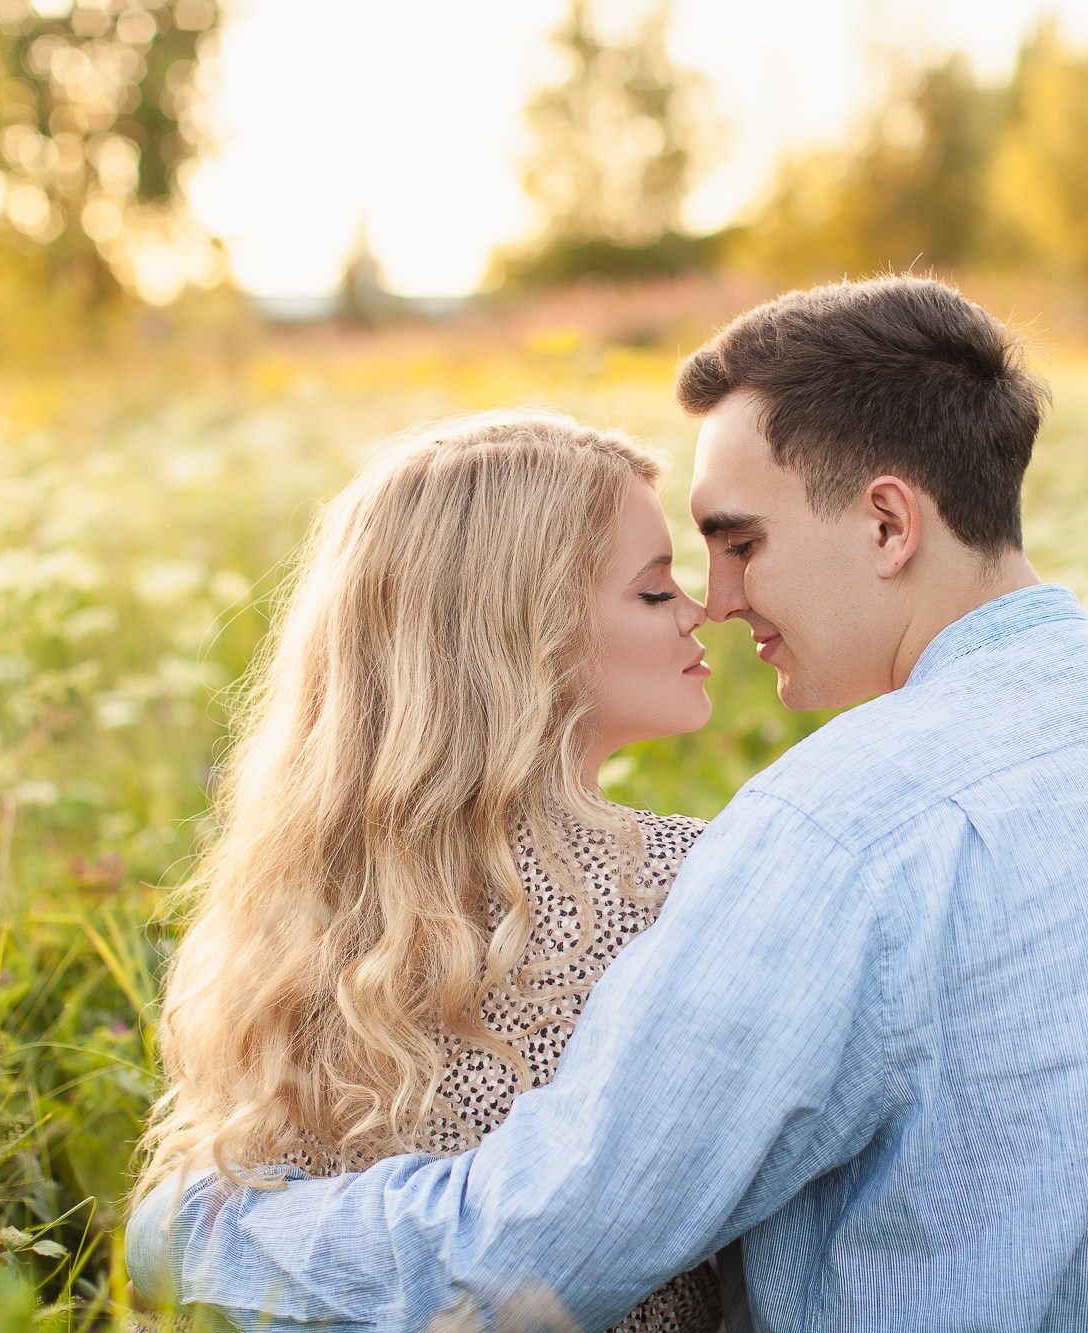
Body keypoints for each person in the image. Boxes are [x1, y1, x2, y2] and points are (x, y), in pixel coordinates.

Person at [128, 276, 1088, 1331]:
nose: (720, 595)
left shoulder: (841, 830)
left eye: (741, 539)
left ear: (887, 524)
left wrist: (194, 1230)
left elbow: (525, 1260)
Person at [131, 414, 726, 1331]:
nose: (699, 611)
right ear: (526, 634)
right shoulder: (684, 877)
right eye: (653, 592)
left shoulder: (309, 898)